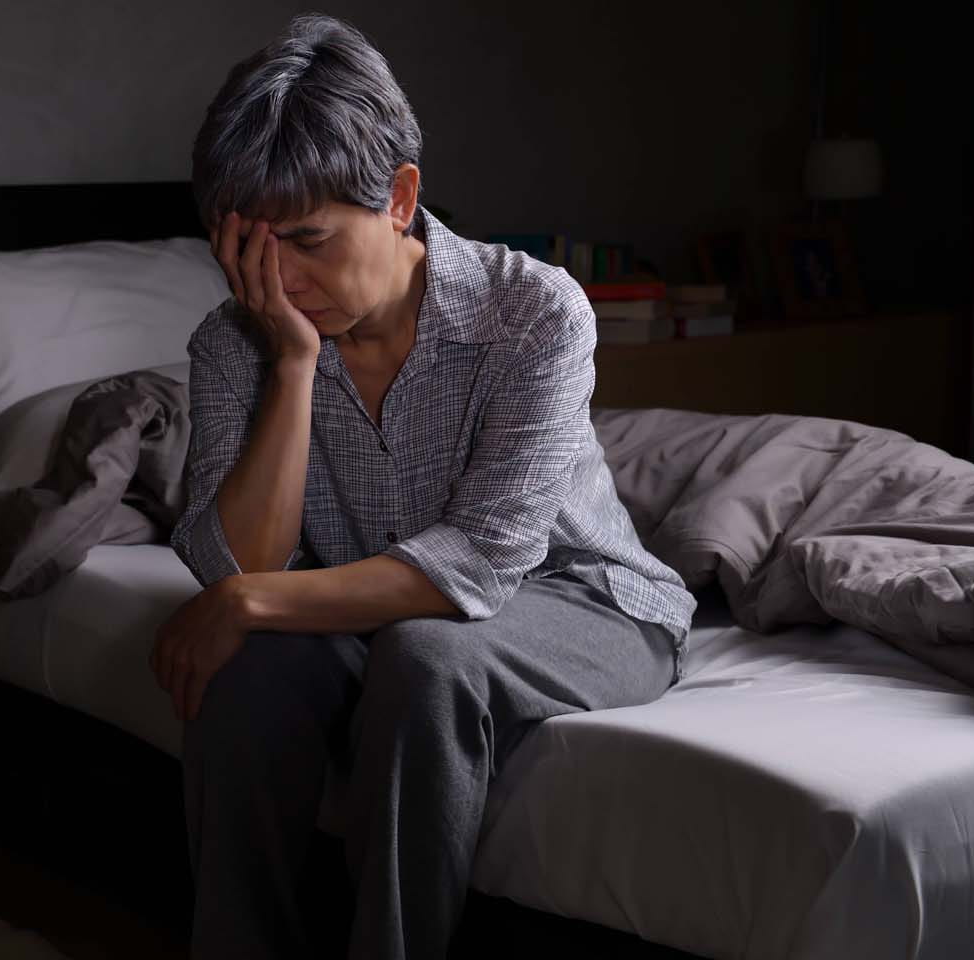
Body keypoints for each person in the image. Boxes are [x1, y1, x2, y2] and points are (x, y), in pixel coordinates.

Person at [150, 14, 697, 960]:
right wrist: (291, 362)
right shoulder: (238, 340)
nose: (281, 278)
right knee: (243, 673)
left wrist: (247, 599)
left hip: (583, 600)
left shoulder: (533, 312)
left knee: (427, 659)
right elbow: (238, 566)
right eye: (252, 251)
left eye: (310, 241)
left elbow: (479, 562)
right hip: (374, 607)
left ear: (400, 198)